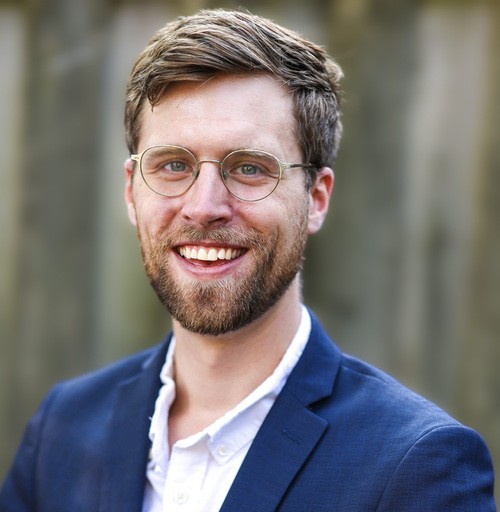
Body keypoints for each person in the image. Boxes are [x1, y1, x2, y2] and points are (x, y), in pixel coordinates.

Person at [0, 8, 495, 512]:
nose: (203, 207)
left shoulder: (417, 467)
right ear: (132, 191)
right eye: (174, 165)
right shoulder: (62, 432)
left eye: (250, 168)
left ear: (316, 198)